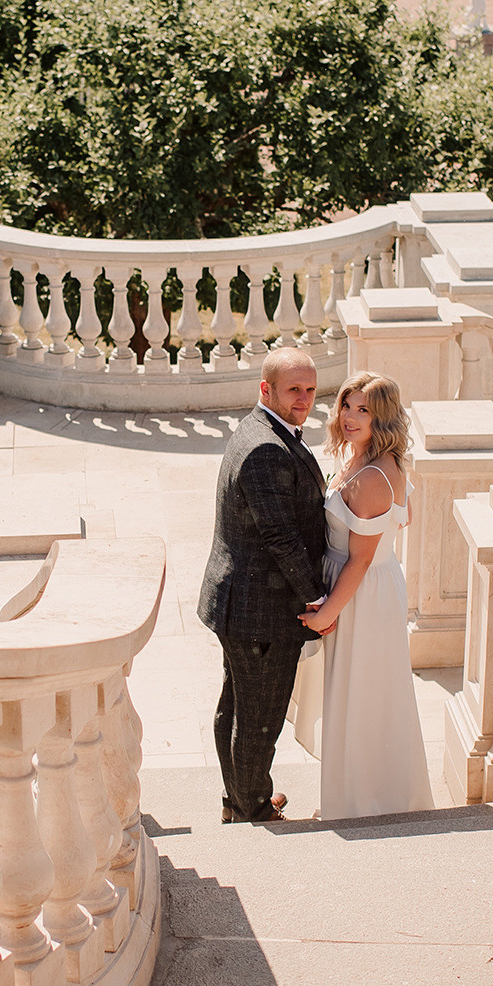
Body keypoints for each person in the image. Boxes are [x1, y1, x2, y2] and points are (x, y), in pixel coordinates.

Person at [290, 373, 433, 821]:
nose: (349, 417)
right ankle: (356, 796)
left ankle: (363, 803)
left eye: (363, 410)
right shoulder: (367, 458)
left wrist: (325, 613)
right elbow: (403, 517)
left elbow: (361, 560)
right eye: (347, 406)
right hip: (369, 585)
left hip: (362, 594)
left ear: (382, 417)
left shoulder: (373, 475)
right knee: (358, 692)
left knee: (362, 695)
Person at [198, 346, 328, 824]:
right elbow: (280, 536)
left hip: (242, 602)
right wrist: (318, 598)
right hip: (261, 610)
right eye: (294, 389)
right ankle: (253, 808)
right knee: (259, 717)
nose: (304, 399)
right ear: (266, 389)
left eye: (311, 389)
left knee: (236, 705)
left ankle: (240, 796)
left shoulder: (263, 430)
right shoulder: (266, 447)